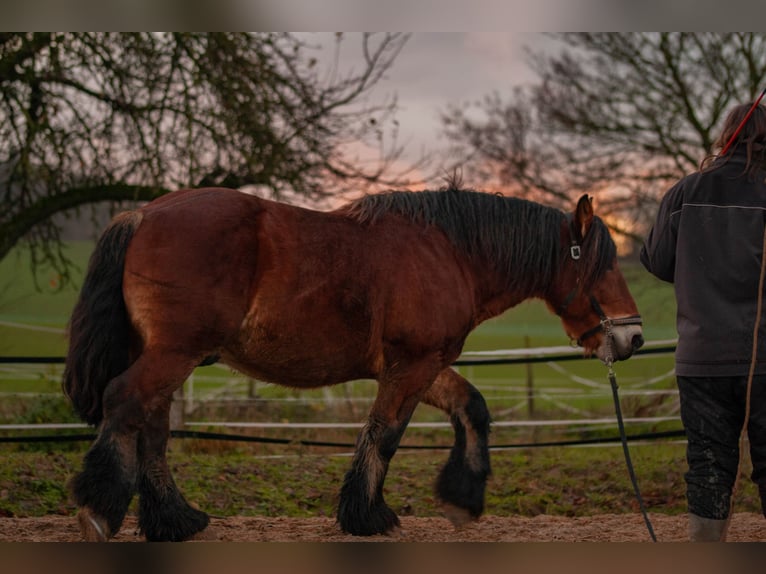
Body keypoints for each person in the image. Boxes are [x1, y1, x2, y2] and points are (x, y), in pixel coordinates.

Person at [641, 100, 766, 542]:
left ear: (725, 135)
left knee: (709, 463)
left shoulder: (685, 191)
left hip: (702, 356)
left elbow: (656, 261)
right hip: (763, 359)